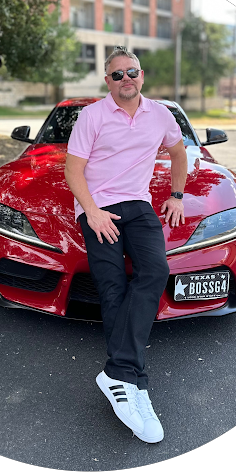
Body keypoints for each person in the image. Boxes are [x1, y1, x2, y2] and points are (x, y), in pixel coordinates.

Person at [64, 46, 187, 443]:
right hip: (97, 208)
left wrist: (177, 196)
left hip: (137, 205)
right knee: (112, 284)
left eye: (131, 71)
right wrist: (93, 212)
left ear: (142, 75)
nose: (126, 79)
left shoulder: (161, 114)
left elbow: (179, 152)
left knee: (156, 271)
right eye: (117, 74)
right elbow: (73, 170)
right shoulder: (92, 116)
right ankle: (135, 382)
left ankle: (118, 373)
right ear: (108, 81)